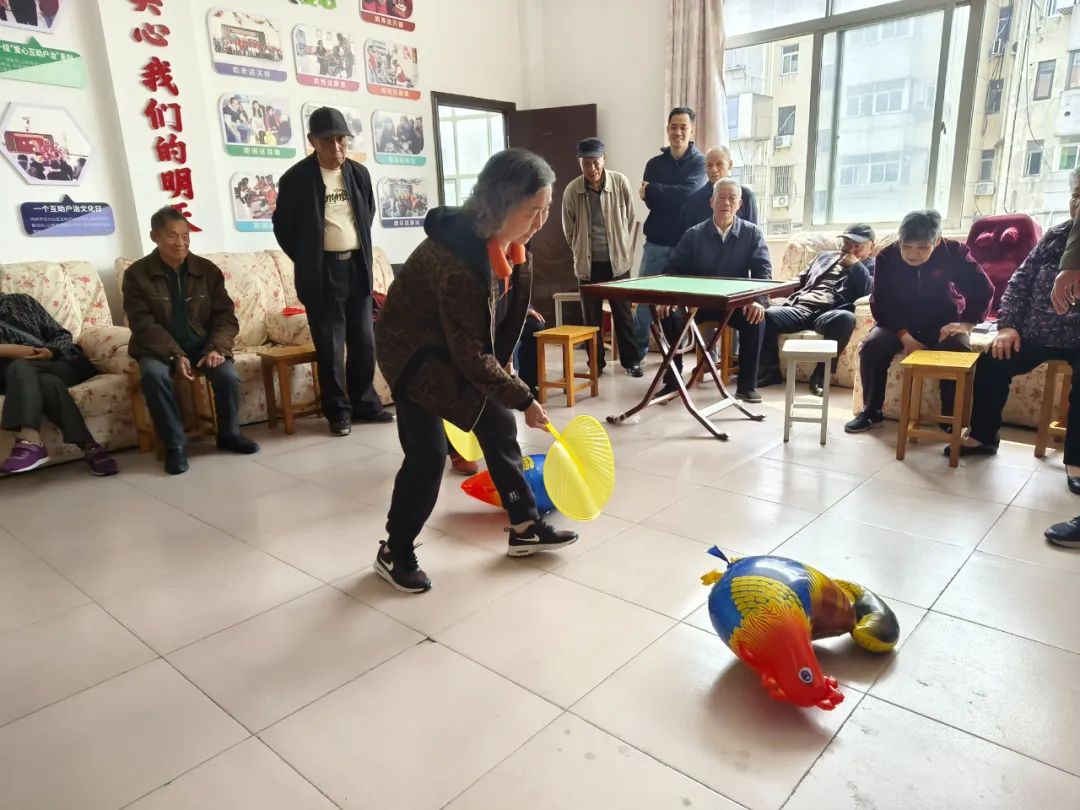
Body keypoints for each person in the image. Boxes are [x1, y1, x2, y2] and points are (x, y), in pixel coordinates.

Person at [374, 149, 579, 593]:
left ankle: (524, 527)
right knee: (428, 456)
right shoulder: (457, 262)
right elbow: (469, 356)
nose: (541, 222)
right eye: (533, 211)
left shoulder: (512, 241)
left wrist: (505, 372)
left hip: (452, 344)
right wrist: (524, 397)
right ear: (500, 204)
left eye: (546, 209)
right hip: (412, 355)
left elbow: (492, 320)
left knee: (498, 423)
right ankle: (394, 550)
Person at [959, 173, 1080, 518]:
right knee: (993, 361)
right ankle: (984, 437)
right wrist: (1008, 326)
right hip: (1034, 334)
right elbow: (1019, 282)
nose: (1078, 203)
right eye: (1075, 195)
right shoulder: (1055, 236)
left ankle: (1077, 461)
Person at [273, 106, 391, 437]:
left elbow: (366, 214)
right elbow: (283, 227)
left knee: (364, 341)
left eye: (342, 140)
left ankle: (365, 404)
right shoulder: (296, 179)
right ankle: (338, 412)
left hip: (357, 267)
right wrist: (309, 257)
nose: (337, 148)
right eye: (328, 141)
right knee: (331, 346)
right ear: (312, 141)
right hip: (322, 273)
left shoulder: (358, 174)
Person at [123, 206, 260, 475]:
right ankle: (175, 445)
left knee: (228, 376)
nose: (181, 242)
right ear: (154, 237)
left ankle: (229, 434)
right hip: (157, 348)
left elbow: (225, 316)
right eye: (172, 236)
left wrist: (217, 348)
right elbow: (142, 323)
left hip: (202, 345)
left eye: (185, 236)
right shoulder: (137, 274)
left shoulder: (206, 270)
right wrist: (175, 354)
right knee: (154, 377)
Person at [845, 210, 993, 433]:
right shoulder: (887, 257)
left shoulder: (954, 252)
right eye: (907, 246)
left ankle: (950, 418)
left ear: (937, 241)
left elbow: (983, 288)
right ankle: (871, 411)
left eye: (922, 247)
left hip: (942, 322)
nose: (913, 254)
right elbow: (881, 302)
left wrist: (967, 324)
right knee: (872, 347)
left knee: (959, 348)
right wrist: (905, 337)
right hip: (897, 322)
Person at [656, 178, 772, 402]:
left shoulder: (752, 233)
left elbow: (763, 271)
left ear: (740, 205)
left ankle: (746, 386)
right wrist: (668, 299)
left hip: (734, 305)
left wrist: (758, 300)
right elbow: (672, 270)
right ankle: (673, 381)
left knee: (756, 318)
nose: (726, 203)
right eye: (721, 198)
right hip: (699, 305)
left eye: (732, 199)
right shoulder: (693, 234)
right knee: (667, 314)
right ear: (711, 202)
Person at [0, 294, 117, 476]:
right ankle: (89, 446)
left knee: (26, 368)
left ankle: (30, 441)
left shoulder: (22, 302)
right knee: (40, 378)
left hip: (55, 364)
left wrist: (50, 351)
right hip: (13, 377)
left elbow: (61, 334)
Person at [758, 224, 875, 396]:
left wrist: (856, 265)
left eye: (857, 245)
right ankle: (770, 371)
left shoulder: (873, 266)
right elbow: (798, 281)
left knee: (846, 319)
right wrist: (766, 295)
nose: (850, 249)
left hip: (831, 313)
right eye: (847, 243)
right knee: (765, 315)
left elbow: (868, 291)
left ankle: (820, 375)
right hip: (802, 307)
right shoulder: (823, 257)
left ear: (871, 247)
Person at [561, 137, 643, 377]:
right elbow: (569, 230)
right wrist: (581, 250)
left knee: (623, 314)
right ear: (579, 163)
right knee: (591, 318)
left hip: (618, 264)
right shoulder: (572, 190)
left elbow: (629, 218)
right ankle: (596, 363)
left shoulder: (620, 182)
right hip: (588, 266)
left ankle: (631, 362)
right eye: (586, 163)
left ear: (604, 159)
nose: (592, 168)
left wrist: (621, 248)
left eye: (596, 162)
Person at [633, 107, 707, 360]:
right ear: (667, 129)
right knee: (644, 299)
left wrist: (654, 189)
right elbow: (651, 202)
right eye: (673, 127)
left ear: (692, 130)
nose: (678, 132)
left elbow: (688, 194)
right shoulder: (654, 164)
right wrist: (667, 193)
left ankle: (676, 354)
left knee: (680, 303)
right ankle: (637, 354)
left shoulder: (699, 162)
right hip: (655, 242)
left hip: (685, 246)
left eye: (683, 127)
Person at [681, 146, 758, 231]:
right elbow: (689, 236)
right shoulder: (694, 201)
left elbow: (752, 233)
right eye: (709, 165)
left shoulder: (745, 196)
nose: (714, 169)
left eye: (719, 164)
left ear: (730, 165)